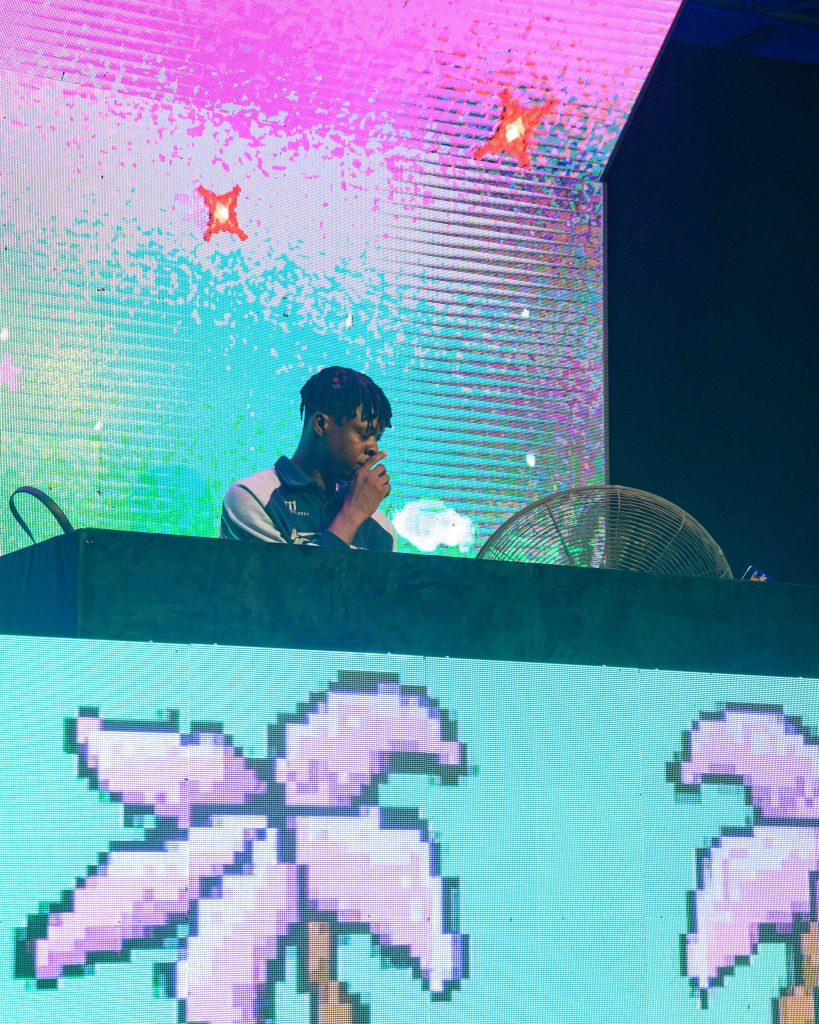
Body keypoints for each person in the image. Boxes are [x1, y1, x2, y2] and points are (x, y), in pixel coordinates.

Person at [220, 366, 396, 551]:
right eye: (363, 434)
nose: (374, 448)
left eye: (377, 438)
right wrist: (351, 515)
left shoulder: (381, 528)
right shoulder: (253, 498)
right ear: (320, 424)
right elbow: (285, 572)